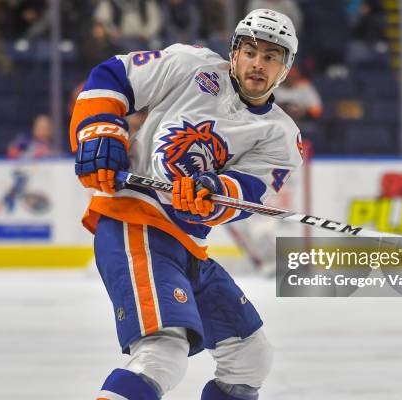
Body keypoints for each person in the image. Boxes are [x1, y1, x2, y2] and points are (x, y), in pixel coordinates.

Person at [70, 8, 302, 400]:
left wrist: (213, 192)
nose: (257, 64)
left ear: (286, 67)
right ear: (234, 52)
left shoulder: (280, 136)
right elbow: (111, 76)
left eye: (271, 56)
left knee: (250, 357)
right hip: (135, 221)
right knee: (163, 351)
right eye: (250, 51)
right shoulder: (190, 65)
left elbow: (245, 193)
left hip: (187, 245)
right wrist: (100, 129)